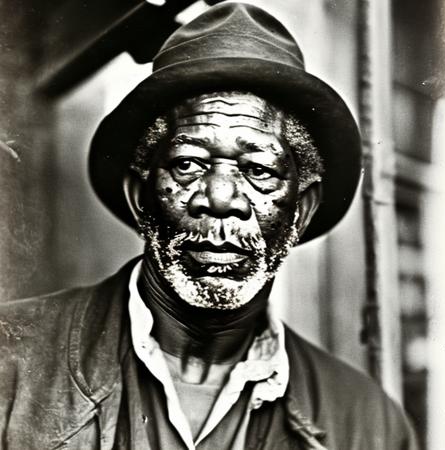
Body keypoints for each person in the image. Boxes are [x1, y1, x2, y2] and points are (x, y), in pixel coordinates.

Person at [0, 3, 418, 449]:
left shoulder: (368, 424)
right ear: (140, 195)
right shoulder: (10, 365)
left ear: (302, 208)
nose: (221, 200)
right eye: (188, 164)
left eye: (259, 170)